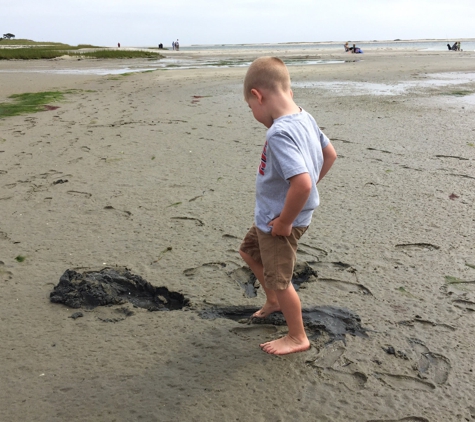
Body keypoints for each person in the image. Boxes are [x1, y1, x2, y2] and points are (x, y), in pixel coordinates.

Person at [239, 57, 337, 355]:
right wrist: (301, 193)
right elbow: (330, 154)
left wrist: (285, 219)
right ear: (289, 92)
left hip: (279, 222)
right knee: (248, 251)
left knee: (281, 281)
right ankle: (272, 301)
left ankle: (297, 336)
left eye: (250, 107)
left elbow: (303, 184)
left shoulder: (279, 132)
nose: (254, 113)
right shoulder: (305, 117)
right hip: (272, 217)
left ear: (258, 95)